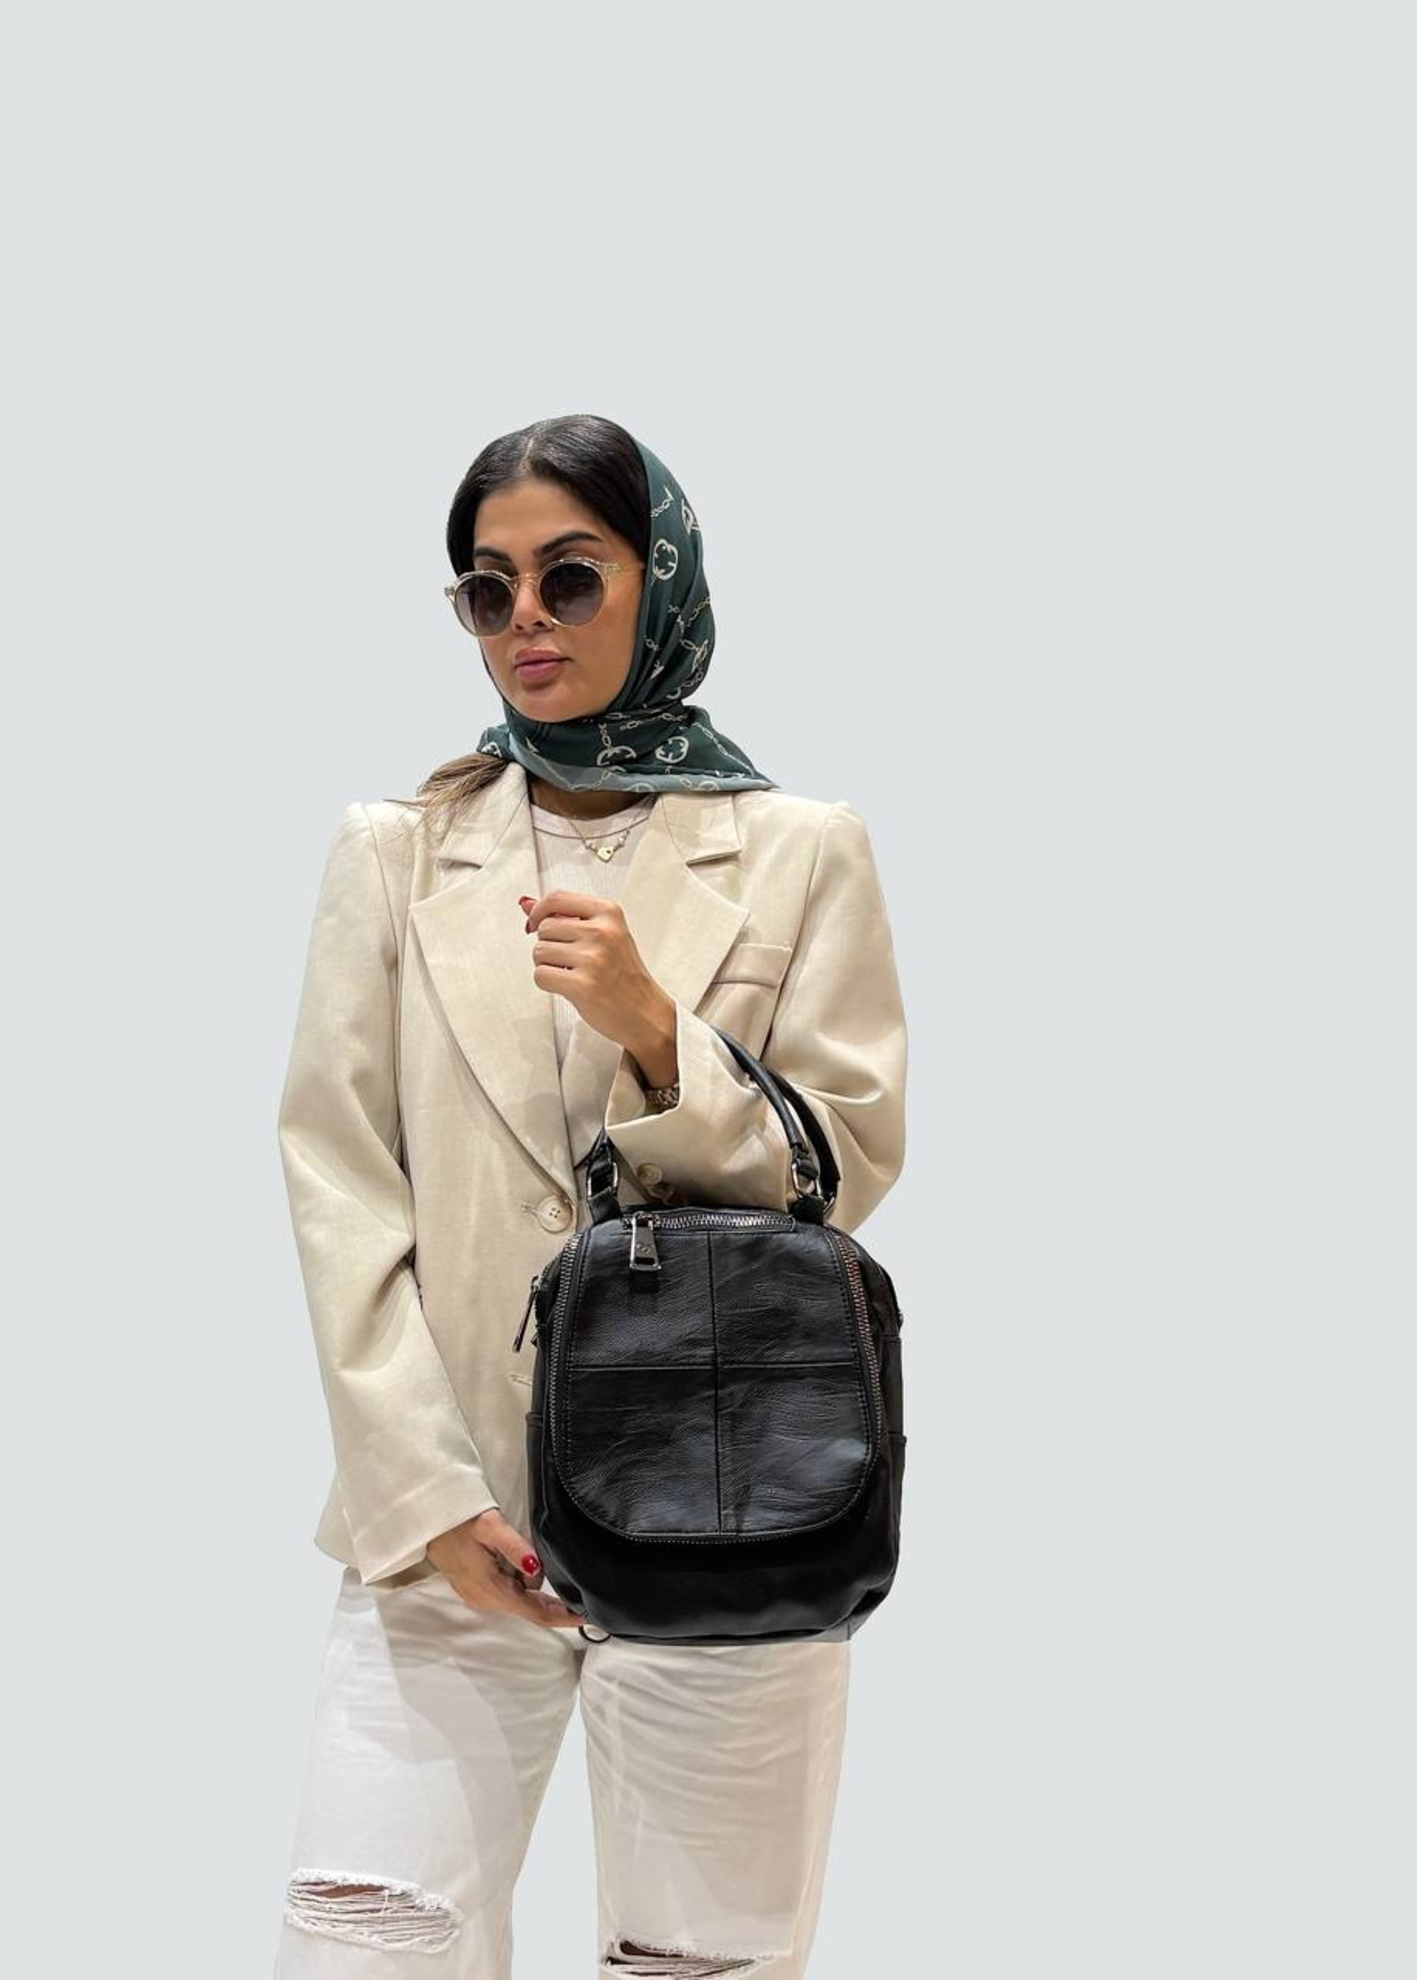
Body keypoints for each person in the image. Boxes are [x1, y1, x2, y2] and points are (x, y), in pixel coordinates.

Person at [271, 413, 908, 1977]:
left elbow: (842, 1166)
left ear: (657, 580)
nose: (526, 623)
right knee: (364, 1944)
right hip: (451, 1520)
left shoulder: (797, 851)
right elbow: (339, 1181)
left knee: (697, 1966)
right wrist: (424, 1500)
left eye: (568, 578)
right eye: (486, 591)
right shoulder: (398, 852)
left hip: (727, 1502)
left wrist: (656, 1034)